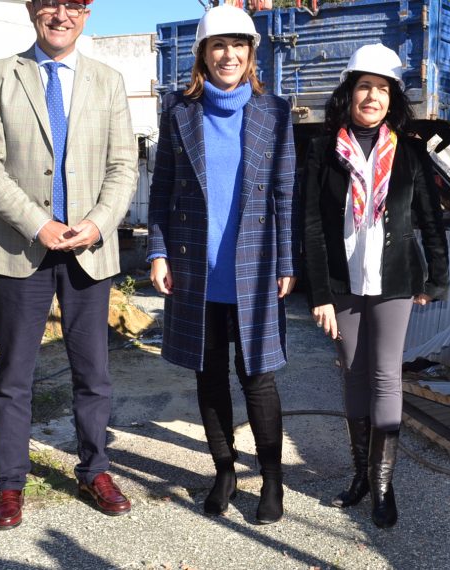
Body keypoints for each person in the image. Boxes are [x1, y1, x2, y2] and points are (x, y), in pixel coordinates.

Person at [0, 0, 138, 530]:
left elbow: (123, 164)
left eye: (74, 5)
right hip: (24, 247)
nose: (61, 15)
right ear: (32, 9)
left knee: (94, 372)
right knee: (15, 374)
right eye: (51, 4)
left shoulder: (108, 80)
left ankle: (95, 469)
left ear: (87, 15)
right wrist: (37, 223)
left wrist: (99, 222)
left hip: (90, 248)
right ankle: (11, 483)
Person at [147, 4, 296, 525]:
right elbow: (161, 189)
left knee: (258, 378)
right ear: (203, 55)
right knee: (209, 377)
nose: (228, 55)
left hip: (253, 268)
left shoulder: (274, 112)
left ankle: (273, 482)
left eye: (238, 46)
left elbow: (283, 193)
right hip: (197, 269)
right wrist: (158, 251)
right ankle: (225, 472)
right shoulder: (178, 112)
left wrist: (286, 262)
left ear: (251, 54)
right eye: (218, 46)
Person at [301, 44, 449, 529]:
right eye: (364, 86)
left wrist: (436, 279)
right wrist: (319, 294)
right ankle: (361, 476)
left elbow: (430, 218)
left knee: (385, 374)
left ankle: (383, 486)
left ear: (392, 100)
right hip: (343, 283)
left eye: (382, 89)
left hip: (394, 280)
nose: (372, 96)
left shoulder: (408, 151)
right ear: (348, 93)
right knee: (351, 371)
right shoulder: (324, 150)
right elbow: (313, 227)